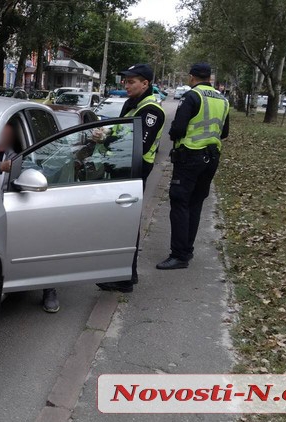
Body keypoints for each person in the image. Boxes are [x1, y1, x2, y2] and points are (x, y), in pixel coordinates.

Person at [97, 63, 165, 293]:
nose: (126, 85)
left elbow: (138, 144)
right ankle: (125, 273)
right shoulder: (131, 104)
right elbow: (120, 131)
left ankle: (125, 278)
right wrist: (104, 135)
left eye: (131, 81)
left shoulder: (151, 110)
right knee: (121, 222)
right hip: (121, 167)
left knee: (127, 223)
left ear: (145, 84)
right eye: (125, 81)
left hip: (135, 170)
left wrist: (106, 140)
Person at [157, 63, 229, 270]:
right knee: (195, 204)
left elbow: (178, 128)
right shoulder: (222, 99)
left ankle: (179, 255)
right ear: (210, 78)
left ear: (191, 77)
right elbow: (224, 133)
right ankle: (187, 251)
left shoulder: (192, 96)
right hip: (212, 157)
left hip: (189, 157)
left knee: (180, 203)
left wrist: (176, 136)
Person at [0, 124, 60, 313]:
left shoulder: (18, 158)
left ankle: (50, 287)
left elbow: (41, 175)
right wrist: (0, 167)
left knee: (42, 244)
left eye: (5, 134)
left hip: (15, 210)